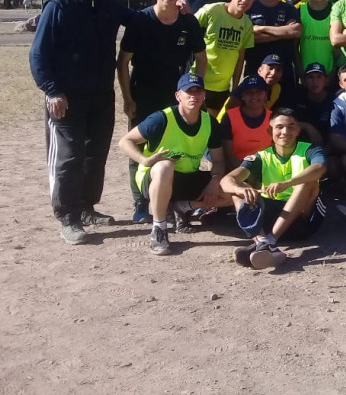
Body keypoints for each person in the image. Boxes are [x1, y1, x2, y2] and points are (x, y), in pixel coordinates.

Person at [30, 0, 136, 244]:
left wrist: (173, 9)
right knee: (69, 158)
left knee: (95, 154)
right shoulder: (58, 6)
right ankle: (68, 218)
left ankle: (87, 208)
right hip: (66, 98)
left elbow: (137, 20)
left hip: (101, 96)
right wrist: (52, 90)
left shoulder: (108, 3)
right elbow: (38, 55)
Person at [117, 0, 207, 222]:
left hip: (175, 95)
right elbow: (122, 62)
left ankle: (167, 199)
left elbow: (201, 60)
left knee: (172, 148)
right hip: (142, 94)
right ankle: (140, 204)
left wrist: (195, 89)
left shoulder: (188, 23)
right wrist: (127, 98)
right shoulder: (140, 20)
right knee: (139, 144)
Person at [118, 73, 232, 255]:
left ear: (204, 95)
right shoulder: (162, 118)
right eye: (189, 92)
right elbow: (125, 141)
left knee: (234, 187)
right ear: (178, 95)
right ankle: (159, 228)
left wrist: (215, 181)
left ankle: (184, 207)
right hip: (155, 178)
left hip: (187, 178)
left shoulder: (209, 122)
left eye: (198, 91)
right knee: (165, 166)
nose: (193, 96)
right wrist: (144, 160)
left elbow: (218, 161)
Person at [221, 108, 327, 269]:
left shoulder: (310, 149)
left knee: (307, 182)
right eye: (279, 127)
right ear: (270, 131)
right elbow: (226, 181)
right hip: (271, 218)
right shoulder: (261, 156)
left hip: (303, 219)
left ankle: (268, 243)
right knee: (238, 190)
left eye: (291, 127)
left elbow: (320, 168)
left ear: (298, 130)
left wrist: (288, 183)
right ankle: (263, 243)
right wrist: (240, 190)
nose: (285, 132)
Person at [195, 0, 256, 115]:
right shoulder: (211, 11)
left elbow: (240, 58)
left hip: (223, 88)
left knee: (214, 128)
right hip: (200, 82)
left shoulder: (247, 24)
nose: (245, 0)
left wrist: (235, 90)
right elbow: (189, 32)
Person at [245, 0, 301, 91]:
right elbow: (249, 37)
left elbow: (296, 31)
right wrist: (284, 31)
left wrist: (261, 28)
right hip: (255, 66)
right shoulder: (249, 7)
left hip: (284, 70)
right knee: (253, 106)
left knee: (285, 109)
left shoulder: (289, 9)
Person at [220, 74, 272, 170]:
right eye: (249, 92)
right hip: (234, 170)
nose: (254, 96)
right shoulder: (229, 117)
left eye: (259, 92)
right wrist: (246, 173)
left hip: (266, 170)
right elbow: (228, 157)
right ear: (242, 96)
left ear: (265, 95)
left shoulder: (273, 118)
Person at [298, 0, 336, 81]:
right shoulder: (299, 11)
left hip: (331, 74)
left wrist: (333, 73)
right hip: (307, 76)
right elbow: (294, 48)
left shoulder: (336, 10)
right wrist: (301, 74)